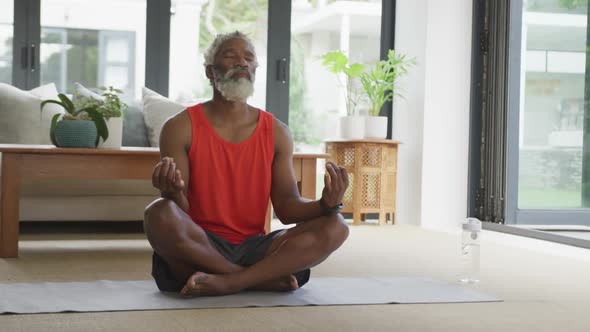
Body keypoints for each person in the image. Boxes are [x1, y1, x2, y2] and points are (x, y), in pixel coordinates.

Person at [143, 31, 349, 297]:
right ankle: (253, 279)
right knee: (158, 213)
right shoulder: (179, 127)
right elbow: (179, 211)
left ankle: (229, 281)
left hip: (255, 246)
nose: (242, 62)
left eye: (249, 58)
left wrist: (326, 205)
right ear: (210, 72)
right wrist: (171, 192)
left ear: (255, 69)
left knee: (337, 225)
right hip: (201, 244)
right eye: (230, 56)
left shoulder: (277, 132)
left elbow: (287, 207)